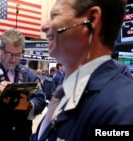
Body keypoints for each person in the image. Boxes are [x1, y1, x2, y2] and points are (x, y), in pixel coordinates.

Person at [32, 0, 133, 141]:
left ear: (91, 19)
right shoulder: (64, 91)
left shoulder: (123, 109)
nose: (44, 26)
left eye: (55, 15)